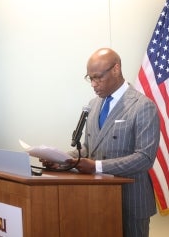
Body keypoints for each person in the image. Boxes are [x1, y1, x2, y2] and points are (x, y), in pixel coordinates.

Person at [43, 48, 160, 237]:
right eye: (90, 78)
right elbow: (88, 148)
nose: (94, 84)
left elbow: (144, 158)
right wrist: (61, 160)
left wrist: (96, 166)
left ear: (116, 69)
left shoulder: (142, 106)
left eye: (98, 77)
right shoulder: (93, 104)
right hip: (96, 199)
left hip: (130, 199)